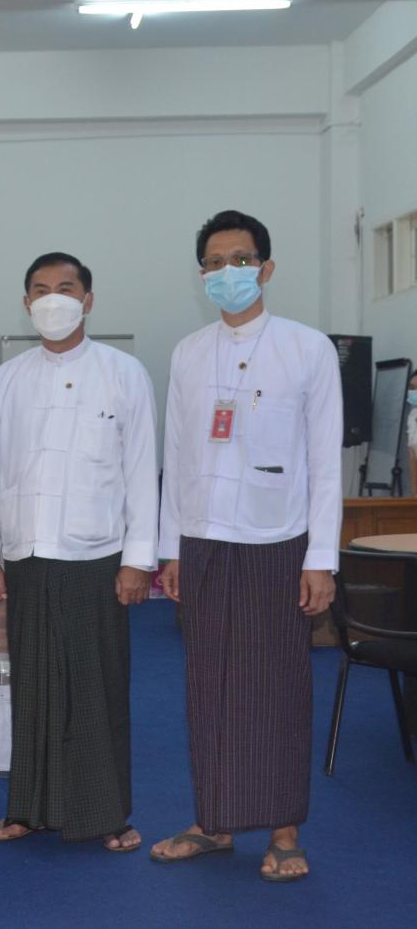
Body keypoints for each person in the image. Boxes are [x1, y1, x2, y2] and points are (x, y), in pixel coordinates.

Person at [149, 210, 340, 883]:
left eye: (240, 259)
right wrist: (171, 548)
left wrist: (321, 558)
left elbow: (326, 464)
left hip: (276, 540)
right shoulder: (188, 353)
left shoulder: (307, 349)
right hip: (203, 540)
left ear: (266, 267)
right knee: (208, 687)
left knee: (278, 688)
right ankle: (214, 822)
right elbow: (176, 453)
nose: (226, 271)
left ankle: (284, 832)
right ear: (201, 274)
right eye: (213, 262)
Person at [0, 252, 157, 853]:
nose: (53, 299)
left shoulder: (124, 373)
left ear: (88, 301)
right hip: (26, 554)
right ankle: (28, 809)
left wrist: (138, 559)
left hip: (97, 556)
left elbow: (140, 470)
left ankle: (106, 815)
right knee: (32, 688)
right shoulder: (8, 378)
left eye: (66, 288)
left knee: (96, 689)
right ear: (27, 303)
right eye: (41, 289)